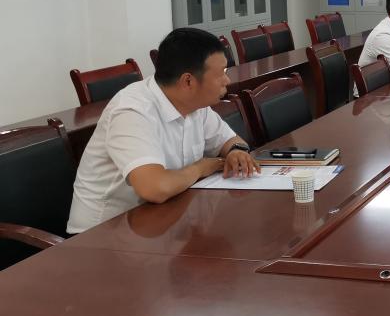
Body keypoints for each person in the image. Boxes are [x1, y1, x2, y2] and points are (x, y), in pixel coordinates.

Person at [68, 28, 260, 234]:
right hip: (102, 236)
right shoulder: (132, 111)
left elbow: (231, 141)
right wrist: (201, 167)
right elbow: (155, 188)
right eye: (221, 73)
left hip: (161, 221)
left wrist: (236, 152)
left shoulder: (195, 104)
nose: (227, 80)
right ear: (188, 81)